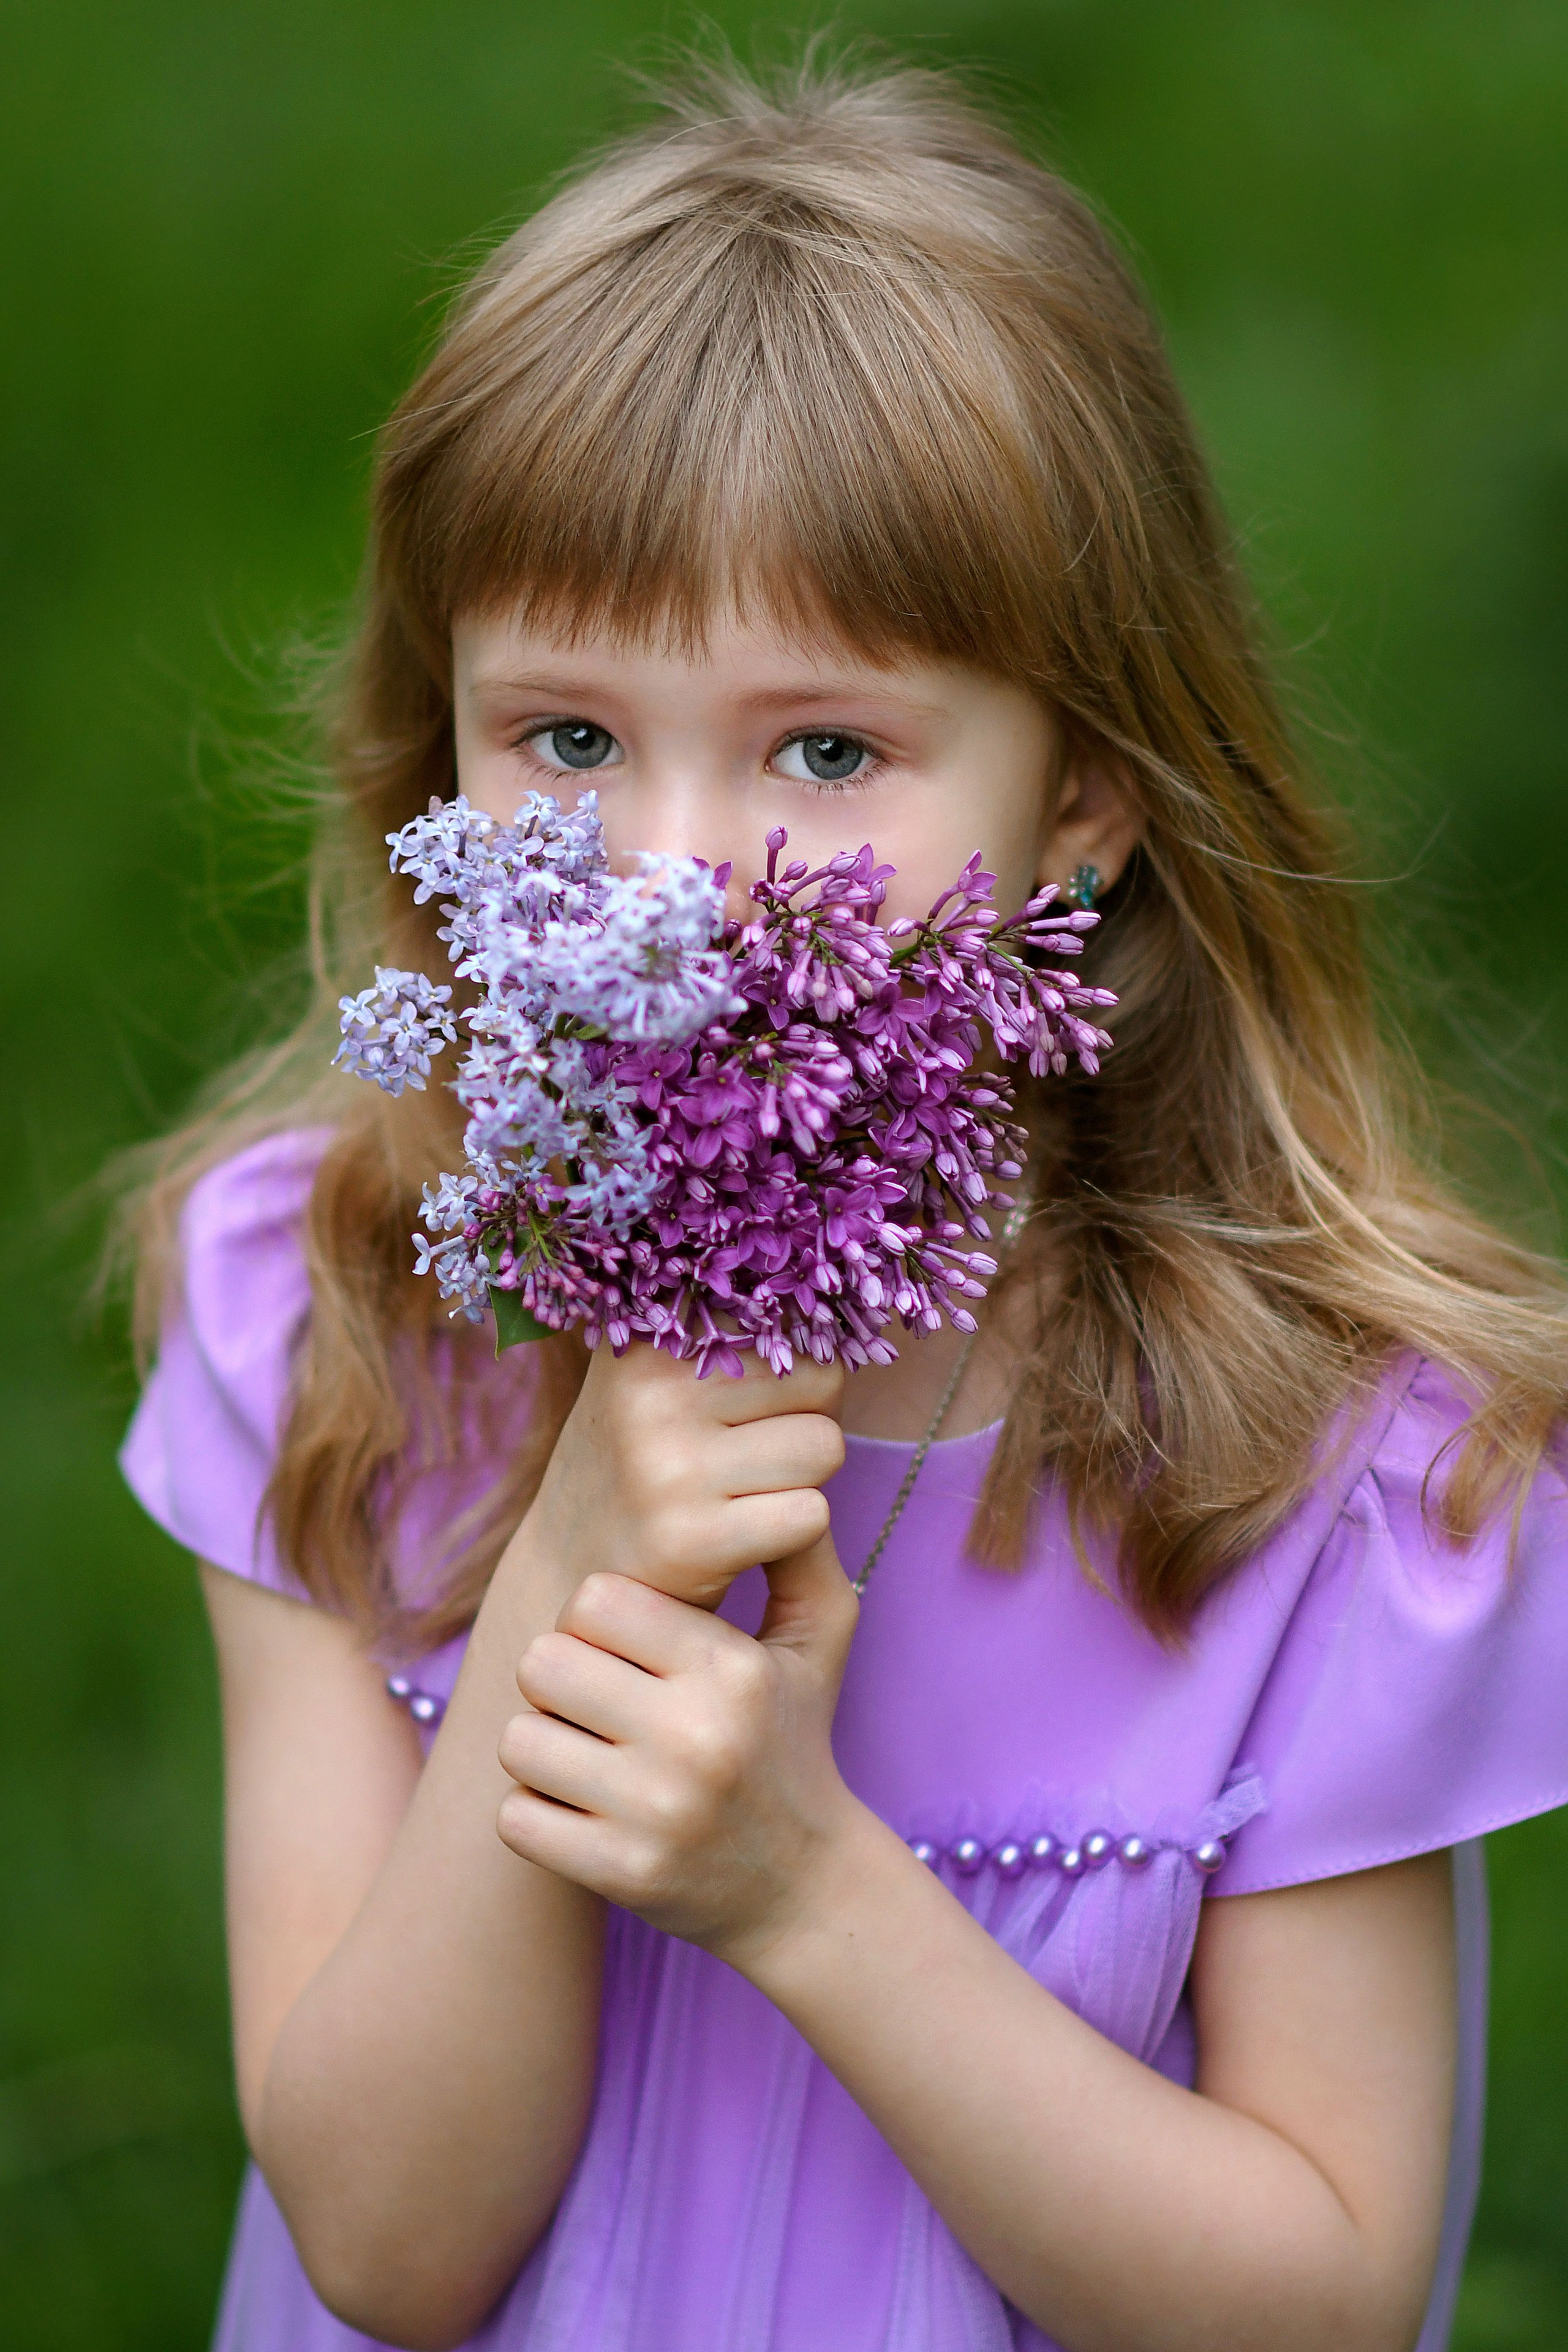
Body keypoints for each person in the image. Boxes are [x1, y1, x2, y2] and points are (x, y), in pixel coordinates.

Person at [119, 52, 1568, 2352]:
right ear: (443, 750)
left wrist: (808, 1895)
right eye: (569, 741)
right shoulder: (341, 1323)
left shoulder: (1326, 1466)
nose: (681, 880)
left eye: (827, 750)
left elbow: (1318, 2306)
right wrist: (561, 1586)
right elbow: (386, 2248)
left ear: (1085, 802)